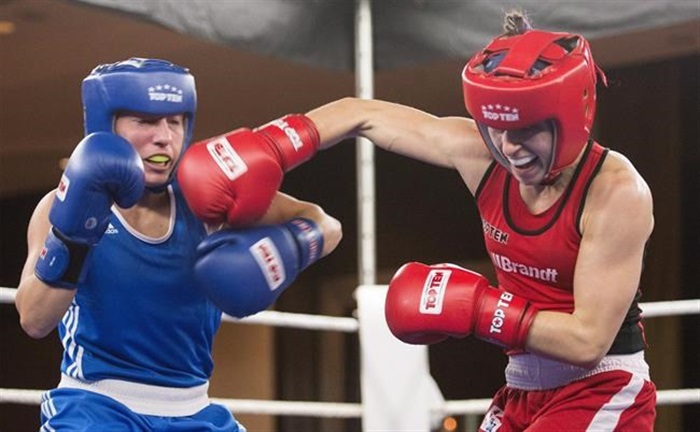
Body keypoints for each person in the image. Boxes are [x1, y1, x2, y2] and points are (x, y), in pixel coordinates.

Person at [304, 10, 656, 432]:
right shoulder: (485, 159)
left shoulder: (615, 192)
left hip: (600, 386)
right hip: (521, 389)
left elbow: (587, 341)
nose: (509, 147)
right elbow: (360, 113)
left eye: (525, 130)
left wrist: (480, 308)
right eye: (495, 128)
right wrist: (273, 144)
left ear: (568, 116)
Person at [15, 58, 341, 431]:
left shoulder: (208, 199)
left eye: (175, 121)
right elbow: (34, 319)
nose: (164, 137)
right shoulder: (57, 205)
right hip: (95, 407)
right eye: (146, 121)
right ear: (107, 126)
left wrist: (291, 245)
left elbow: (327, 225)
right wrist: (74, 233)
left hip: (194, 411)